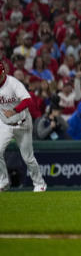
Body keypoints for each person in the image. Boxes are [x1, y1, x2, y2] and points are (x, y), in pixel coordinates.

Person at [0, 62, 47, 192]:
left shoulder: (13, 83)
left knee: (28, 158)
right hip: (5, 124)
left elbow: (28, 100)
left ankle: (40, 184)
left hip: (22, 123)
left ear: (3, 72)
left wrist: (14, 111)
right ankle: (3, 182)